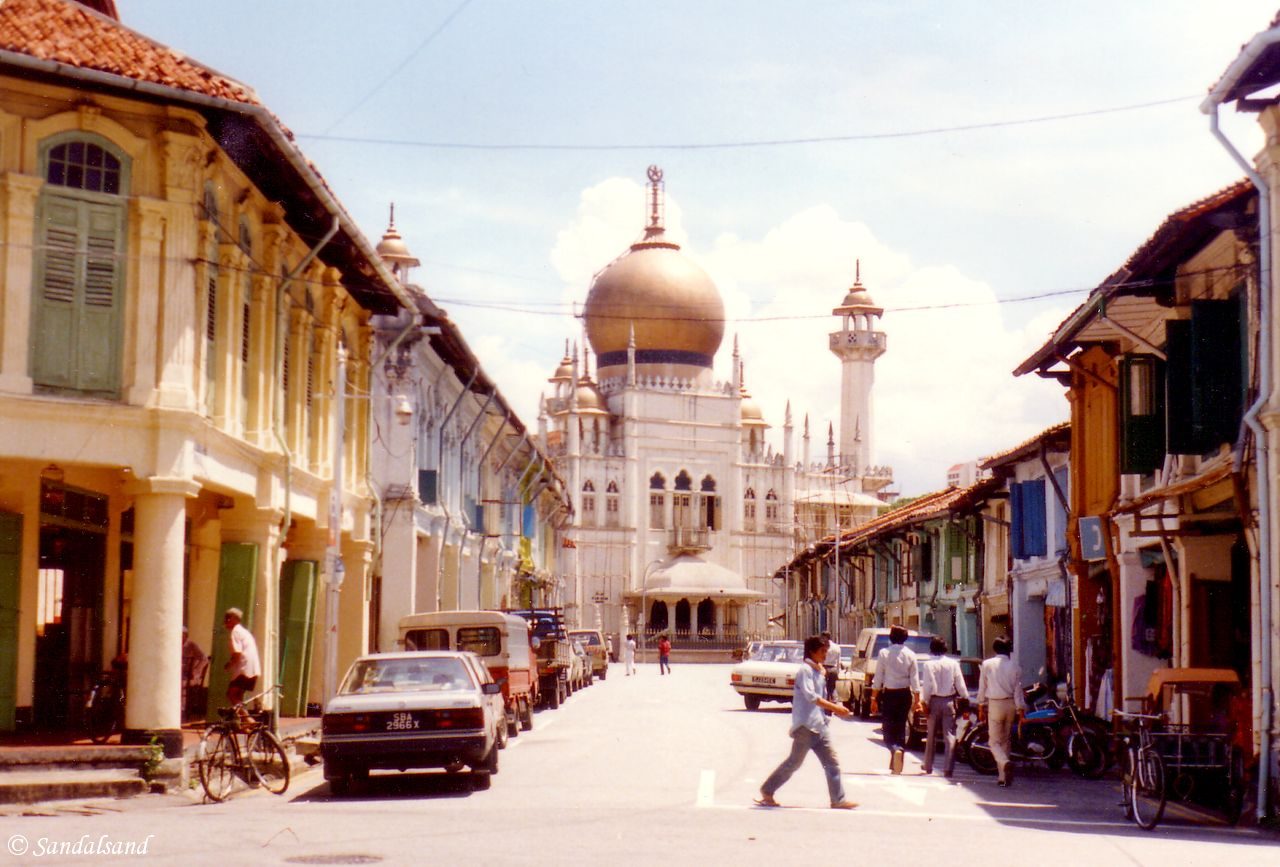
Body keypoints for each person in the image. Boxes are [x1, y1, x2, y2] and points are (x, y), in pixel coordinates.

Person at [756, 635, 858, 810]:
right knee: (794, 763)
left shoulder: (818, 671)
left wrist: (834, 707)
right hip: (806, 726)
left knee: (832, 762)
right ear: (812, 652)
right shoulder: (805, 671)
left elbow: (823, 696)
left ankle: (838, 800)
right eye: (822, 652)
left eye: (826, 651)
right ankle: (767, 790)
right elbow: (812, 697)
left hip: (819, 725)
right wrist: (835, 708)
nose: (825, 655)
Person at [870, 624, 920, 774]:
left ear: (891, 637)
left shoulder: (884, 653)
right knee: (901, 727)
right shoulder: (911, 654)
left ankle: (894, 749)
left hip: (890, 694)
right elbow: (915, 679)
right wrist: (917, 700)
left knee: (888, 728)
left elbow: (878, 677)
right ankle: (896, 760)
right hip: (905, 695)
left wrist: (874, 698)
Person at [978, 635, 1025, 787]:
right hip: (1011, 704)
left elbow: (982, 687)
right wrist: (1021, 709)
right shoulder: (1015, 666)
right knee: (1006, 740)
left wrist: (980, 705)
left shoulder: (987, 664)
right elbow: (1018, 691)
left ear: (995, 649)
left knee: (993, 741)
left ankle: (1005, 763)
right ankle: (1002, 777)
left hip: (995, 704)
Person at [919, 637, 967, 777]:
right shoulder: (953, 664)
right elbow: (960, 683)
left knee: (931, 734)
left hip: (934, 701)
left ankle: (928, 766)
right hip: (949, 702)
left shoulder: (928, 665)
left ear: (931, 648)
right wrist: (965, 697)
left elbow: (927, 686)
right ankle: (948, 768)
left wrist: (924, 702)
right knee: (950, 736)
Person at [222, 607, 261, 716]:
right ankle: (243, 724)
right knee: (238, 696)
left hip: (244, 670)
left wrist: (229, 664)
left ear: (235, 619)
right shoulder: (244, 632)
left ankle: (249, 721)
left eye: (228, 618)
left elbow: (237, 653)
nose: (225, 621)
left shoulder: (235, 632)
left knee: (231, 695)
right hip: (252, 669)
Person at [180, 626, 209, 720]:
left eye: (181, 635)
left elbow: (204, 659)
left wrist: (196, 671)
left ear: (185, 635)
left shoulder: (191, 645)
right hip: (178, 674)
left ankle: (182, 711)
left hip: (187, 675)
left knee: (180, 684)